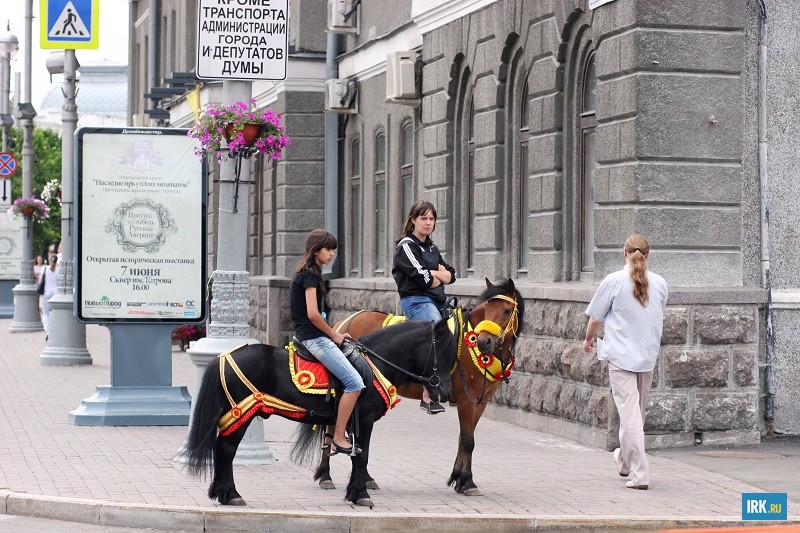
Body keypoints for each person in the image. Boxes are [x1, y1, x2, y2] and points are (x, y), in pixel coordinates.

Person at [582, 234, 668, 491]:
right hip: (647, 357)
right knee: (635, 416)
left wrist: (588, 339)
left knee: (630, 418)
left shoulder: (613, 281)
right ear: (648, 254)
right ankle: (625, 462)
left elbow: (595, 318)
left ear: (624, 252)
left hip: (621, 358)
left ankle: (641, 475)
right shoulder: (660, 283)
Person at [290, 229, 365, 456]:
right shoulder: (311, 275)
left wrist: (335, 335)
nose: (332, 254)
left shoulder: (307, 273)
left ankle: (330, 434)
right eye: (328, 249)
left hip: (313, 336)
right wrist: (333, 335)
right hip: (314, 340)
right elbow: (313, 314)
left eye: (333, 249)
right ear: (316, 250)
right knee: (354, 383)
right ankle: (339, 438)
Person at [392, 199, 456, 414]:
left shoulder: (432, 248)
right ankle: (428, 394)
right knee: (437, 332)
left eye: (431, 219)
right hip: (416, 301)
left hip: (438, 301)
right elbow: (423, 280)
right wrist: (438, 275)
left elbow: (452, 275)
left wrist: (437, 274)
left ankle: (455, 387)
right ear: (413, 220)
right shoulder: (407, 247)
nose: (428, 223)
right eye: (423, 218)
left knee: (462, 332)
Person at [42, 255, 60, 337]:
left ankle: (48, 330)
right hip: (56, 293)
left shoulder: (45, 268)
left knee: (45, 313)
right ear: (56, 261)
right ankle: (56, 328)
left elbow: (40, 281)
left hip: (47, 293)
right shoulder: (59, 270)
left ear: (49, 260)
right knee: (56, 312)